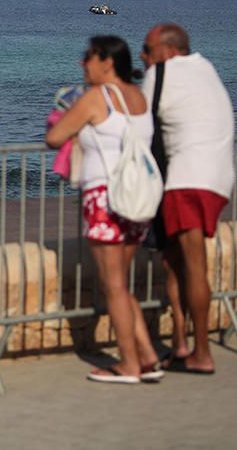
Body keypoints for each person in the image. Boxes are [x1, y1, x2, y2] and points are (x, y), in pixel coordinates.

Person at [46, 36, 163, 384]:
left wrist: (68, 117)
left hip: (105, 199)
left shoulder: (97, 97)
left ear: (107, 62)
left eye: (89, 57)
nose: (83, 63)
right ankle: (148, 357)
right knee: (122, 286)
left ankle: (128, 365)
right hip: (136, 200)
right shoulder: (138, 97)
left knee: (113, 287)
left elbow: (55, 137)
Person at [140, 23, 234, 375]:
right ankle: (180, 343)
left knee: (194, 264)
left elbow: (139, 126)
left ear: (167, 51)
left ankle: (202, 353)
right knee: (174, 262)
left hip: (187, 179)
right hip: (217, 177)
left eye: (148, 49)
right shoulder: (205, 68)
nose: (142, 56)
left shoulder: (160, 74)